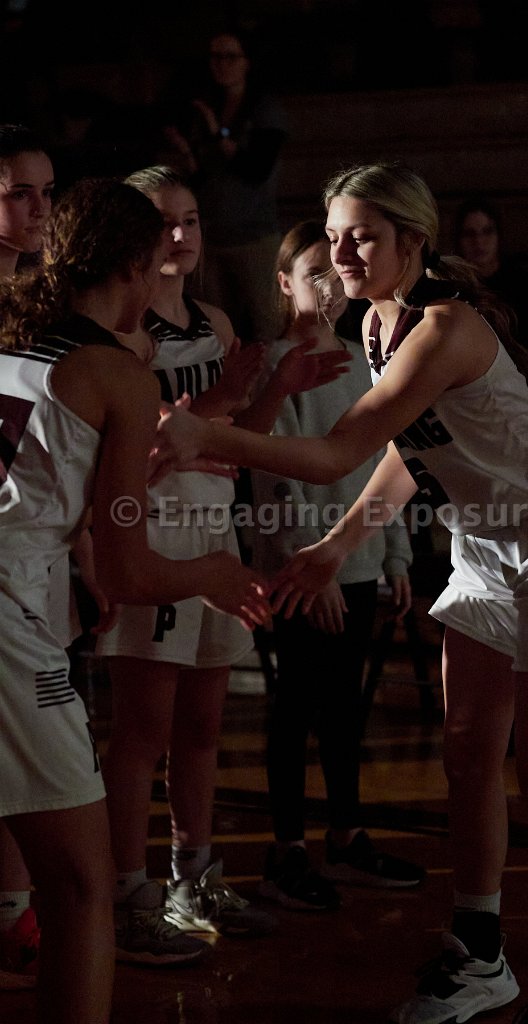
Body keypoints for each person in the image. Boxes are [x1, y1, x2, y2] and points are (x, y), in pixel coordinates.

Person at [149, 161, 528, 1024]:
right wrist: (337, 544)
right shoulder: (377, 322)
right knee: (466, 754)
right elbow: (410, 450)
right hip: (485, 544)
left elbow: (337, 451)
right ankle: (480, 956)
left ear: (413, 239)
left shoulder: (444, 327)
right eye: (333, 237)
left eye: (361, 237)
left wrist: (205, 435)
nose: (341, 254)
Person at [0, 175, 272, 1024]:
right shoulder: (116, 375)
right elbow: (129, 572)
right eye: (157, 261)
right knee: (82, 887)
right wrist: (212, 574)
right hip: (7, 618)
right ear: (132, 265)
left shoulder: (13, 338)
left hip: (23, 595)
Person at [94, 166, 350, 961]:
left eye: (192, 219)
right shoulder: (120, 330)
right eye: (163, 221)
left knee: (203, 725)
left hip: (214, 532)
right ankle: (126, 890)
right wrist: (212, 408)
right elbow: (141, 452)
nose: (180, 235)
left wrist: (275, 388)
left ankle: (192, 878)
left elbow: (237, 443)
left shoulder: (211, 319)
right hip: (149, 534)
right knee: (142, 729)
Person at [249, 220, 424, 911]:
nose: (327, 286)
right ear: (283, 283)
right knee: (296, 704)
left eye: (334, 271)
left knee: (345, 708)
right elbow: (274, 477)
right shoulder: (273, 365)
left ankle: (346, 835)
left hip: (356, 561)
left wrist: (396, 554)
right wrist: (305, 562)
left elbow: (393, 458)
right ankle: (286, 848)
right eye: (311, 273)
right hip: (302, 567)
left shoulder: (366, 355)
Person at [0, 122, 54, 992]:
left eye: (48, 191)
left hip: (38, 545)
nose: (40, 208)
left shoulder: (46, 301)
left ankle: (13, 908)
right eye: (19, 192)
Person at [159, 22, 288, 343]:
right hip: (213, 234)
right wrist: (186, 151)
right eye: (215, 57)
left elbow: (255, 170)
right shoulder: (206, 108)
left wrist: (218, 133)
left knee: (268, 323)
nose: (221, 64)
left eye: (230, 56)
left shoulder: (264, 108)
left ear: (247, 61)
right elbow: (202, 178)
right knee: (216, 326)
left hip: (254, 234)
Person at [453, 193, 528, 403]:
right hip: (468, 387)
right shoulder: (454, 288)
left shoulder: (524, 286)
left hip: (518, 385)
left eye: (487, 232)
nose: (479, 242)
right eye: (470, 234)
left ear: (498, 235)